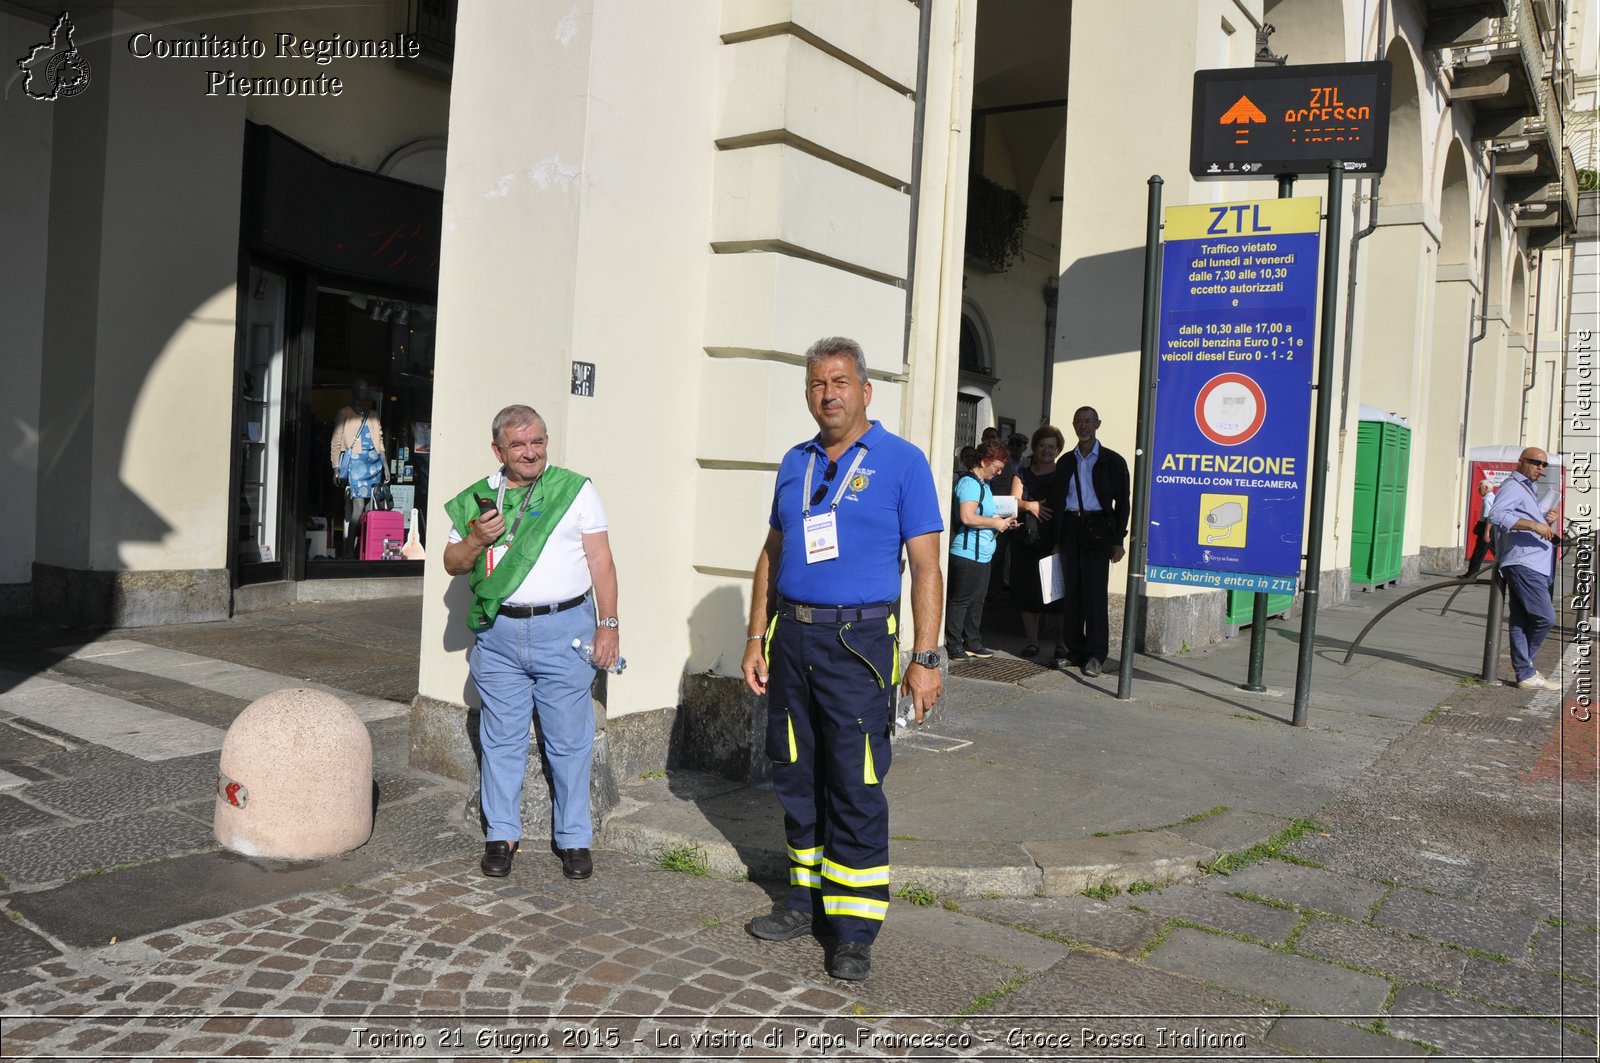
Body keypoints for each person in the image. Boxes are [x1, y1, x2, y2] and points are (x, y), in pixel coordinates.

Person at [740, 336, 944, 982]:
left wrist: (927, 654)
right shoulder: (793, 463)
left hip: (858, 643)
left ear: (865, 390)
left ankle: (853, 927)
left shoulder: (903, 463)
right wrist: (754, 634)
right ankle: (804, 900)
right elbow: (771, 553)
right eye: (817, 384)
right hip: (791, 638)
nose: (828, 394)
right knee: (796, 773)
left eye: (839, 382)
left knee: (854, 782)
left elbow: (927, 567)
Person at [441, 405, 620, 882]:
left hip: (565, 631)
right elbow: (452, 563)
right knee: (501, 739)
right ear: (498, 449)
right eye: (518, 445)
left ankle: (574, 838)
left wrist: (610, 625)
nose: (530, 452)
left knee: (570, 741)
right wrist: (478, 539)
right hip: (498, 635)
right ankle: (500, 834)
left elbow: (601, 562)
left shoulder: (575, 489)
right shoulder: (479, 499)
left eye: (537, 442)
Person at [1053, 406, 1129, 678]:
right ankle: (1074, 650)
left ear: (1098, 424)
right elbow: (1058, 501)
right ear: (1073, 426)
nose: (1083, 426)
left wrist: (1118, 540)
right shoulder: (1065, 462)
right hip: (1071, 528)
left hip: (1098, 529)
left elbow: (1123, 504)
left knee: (1095, 595)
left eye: (1088, 421)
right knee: (1072, 593)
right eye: (1079, 422)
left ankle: (1096, 655)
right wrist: (1057, 539)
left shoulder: (1113, 461)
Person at [1487, 447, 1558, 689]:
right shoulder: (1513, 486)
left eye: (1544, 464)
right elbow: (1496, 515)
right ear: (1521, 462)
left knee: (1521, 619)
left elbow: (1518, 517)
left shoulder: (1528, 488)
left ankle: (1525, 674)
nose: (1540, 468)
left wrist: (1544, 521)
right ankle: (1526, 668)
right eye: (1536, 462)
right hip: (1524, 562)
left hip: (1533, 561)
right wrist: (1534, 525)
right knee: (1545, 618)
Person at [946, 440, 1016, 660]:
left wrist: (1002, 521)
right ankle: (955, 644)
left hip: (982, 553)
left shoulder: (983, 484)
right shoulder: (970, 484)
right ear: (986, 460)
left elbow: (982, 515)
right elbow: (967, 517)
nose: (1000, 471)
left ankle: (972, 641)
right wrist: (995, 523)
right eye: (998, 466)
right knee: (962, 601)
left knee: (977, 600)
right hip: (967, 553)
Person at [1011, 425, 1064, 658]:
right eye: (1042, 445)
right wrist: (1029, 505)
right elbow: (1012, 501)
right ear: (1035, 447)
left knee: (1057, 595)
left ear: (1058, 449)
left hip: (1054, 539)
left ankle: (1061, 644)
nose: (1046, 450)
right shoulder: (1022, 473)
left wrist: (1060, 543)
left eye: (1051, 446)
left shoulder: (1064, 475)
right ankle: (1032, 642)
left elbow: (1067, 510)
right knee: (1027, 592)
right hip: (1026, 539)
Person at [330, 380, 388, 557]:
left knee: (371, 509)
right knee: (358, 508)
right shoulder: (344, 414)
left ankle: (365, 550)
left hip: (374, 465)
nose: (363, 391)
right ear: (353, 390)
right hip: (356, 465)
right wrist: (336, 468)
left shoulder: (373, 415)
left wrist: (385, 464)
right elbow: (336, 442)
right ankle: (348, 551)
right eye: (359, 388)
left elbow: (380, 441)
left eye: (365, 388)